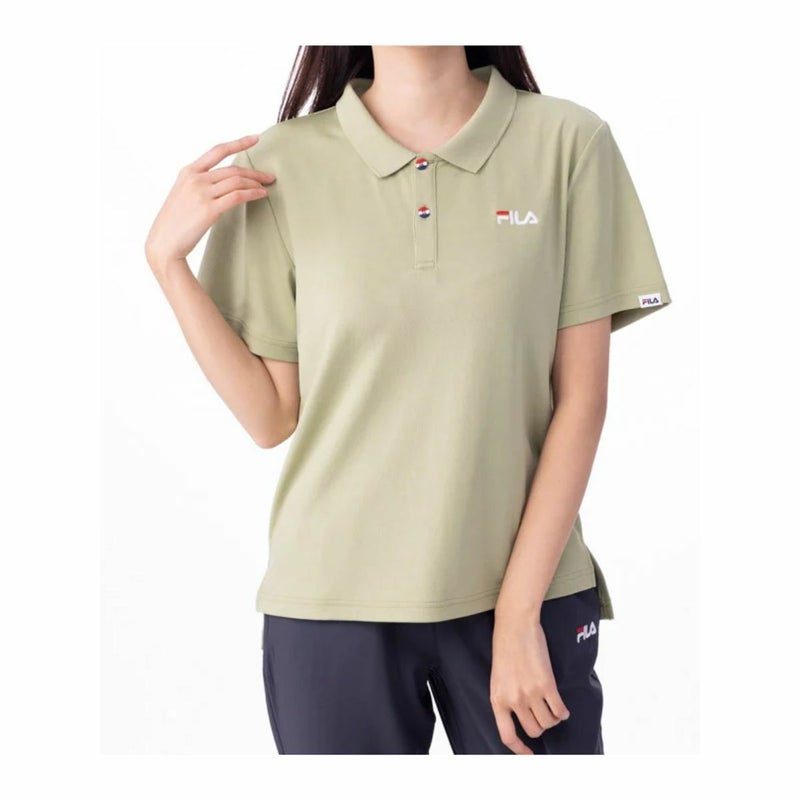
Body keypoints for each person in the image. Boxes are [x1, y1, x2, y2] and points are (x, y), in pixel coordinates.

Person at [144, 45, 672, 755]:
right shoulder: (280, 164)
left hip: (527, 595)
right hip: (330, 602)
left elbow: (582, 400)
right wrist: (168, 265)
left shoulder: (568, 143)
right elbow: (270, 417)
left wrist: (517, 618)